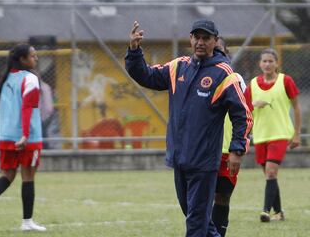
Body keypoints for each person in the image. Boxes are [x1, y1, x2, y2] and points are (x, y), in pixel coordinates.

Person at [125, 19, 252, 237]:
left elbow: (242, 114)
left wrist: (236, 149)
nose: (200, 42)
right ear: (190, 39)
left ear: (214, 41)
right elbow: (147, 75)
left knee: (196, 223)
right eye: (197, 37)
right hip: (179, 158)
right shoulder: (178, 67)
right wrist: (135, 51)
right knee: (197, 218)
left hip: (204, 162)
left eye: (206, 38)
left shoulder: (224, 74)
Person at [0, 43, 46, 232]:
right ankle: (27, 222)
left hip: (5, 136)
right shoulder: (30, 78)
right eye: (32, 56)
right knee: (28, 177)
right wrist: (25, 134)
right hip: (27, 138)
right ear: (23, 59)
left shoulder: (5, 79)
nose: (36, 58)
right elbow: (27, 107)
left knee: (7, 175)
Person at [244, 48, 301, 222]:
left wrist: (296, 134)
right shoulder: (253, 84)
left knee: (270, 172)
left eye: (271, 61)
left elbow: (296, 108)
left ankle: (265, 212)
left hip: (280, 134)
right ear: (260, 64)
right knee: (270, 176)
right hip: (260, 136)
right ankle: (279, 213)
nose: (268, 64)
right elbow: (243, 108)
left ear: (277, 63)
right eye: (264, 61)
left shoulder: (286, 81)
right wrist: (253, 104)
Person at [212, 37, 247, 237]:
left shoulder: (235, 79)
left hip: (226, 149)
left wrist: (238, 147)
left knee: (222, 197)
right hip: (204, 149)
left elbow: (243, 114)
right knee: (200, 198)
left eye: (220, 51)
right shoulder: (196, 75)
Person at [39, 80, 54, 149]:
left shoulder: (44, 87)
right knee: (43, 132)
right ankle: (45, 147)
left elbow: (48, 105)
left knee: (43, 131)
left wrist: (49, 112)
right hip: (38, 115)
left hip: (46, 115)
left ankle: (46, 147)